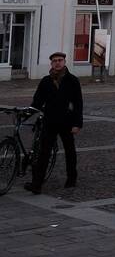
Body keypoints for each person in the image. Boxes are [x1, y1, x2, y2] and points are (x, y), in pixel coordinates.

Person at [24, 51, 83, 193]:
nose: (58, 63)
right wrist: (26, 114)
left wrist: (77, 123)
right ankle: (36, 184)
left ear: (64, 62)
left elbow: (78, 103)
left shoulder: (72, 80)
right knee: (44, 153)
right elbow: (37, 101)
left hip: (67, 122)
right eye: (55, 60)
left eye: (60, 60)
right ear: (51, 63)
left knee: (70, 150)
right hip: (49, 121)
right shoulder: (45, 81)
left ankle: (71, 178)